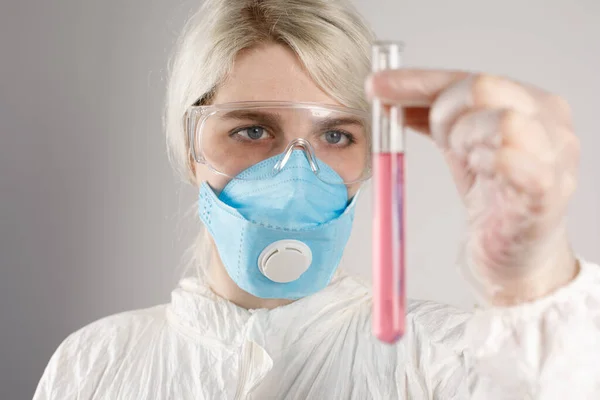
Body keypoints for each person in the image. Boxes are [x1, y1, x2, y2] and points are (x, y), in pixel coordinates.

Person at [33, 0, 600, 399]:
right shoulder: (94, 365)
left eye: (335, 136)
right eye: (252, 130)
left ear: (370, 155)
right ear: (190, 148)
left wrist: (533, 281)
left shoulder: (443, 359)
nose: (295, 175)